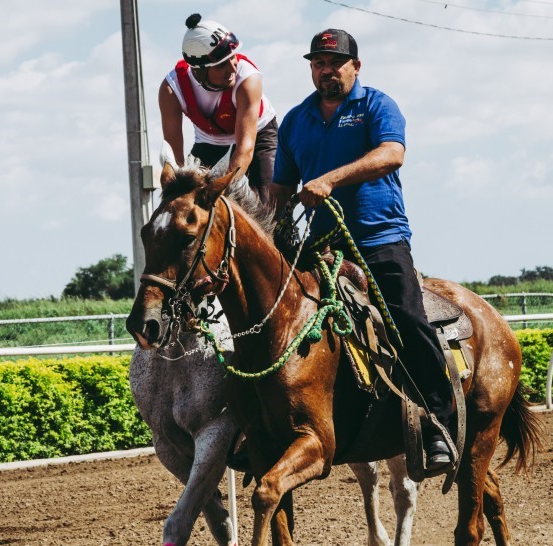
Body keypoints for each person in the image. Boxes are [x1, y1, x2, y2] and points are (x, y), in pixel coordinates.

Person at [271, 29, 454, 473]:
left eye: (335, 63)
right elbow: (280, 188)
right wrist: (273, 229)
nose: (326, 71)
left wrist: (330, 179)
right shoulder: (295, 120)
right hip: (319, 246)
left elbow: (392, 154)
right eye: (318, 63)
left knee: (406, 318)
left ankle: (438, 424)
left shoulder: (376, 105)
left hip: (379, 239)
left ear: (356, 66)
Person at [159, 13, 277, 198]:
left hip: (258, 134)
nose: (232, 67)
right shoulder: (171, 90)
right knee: (183, 198)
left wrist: (219, 191)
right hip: (209, 141)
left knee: (268, 199)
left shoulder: (248, 79)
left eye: (233, 57)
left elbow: (244, 150)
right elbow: (176, 162)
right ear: (199, 71)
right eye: (222, 65)